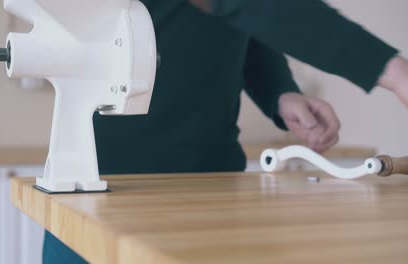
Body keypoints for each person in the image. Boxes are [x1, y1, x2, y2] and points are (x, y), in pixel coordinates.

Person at [42, 1, 408, 263]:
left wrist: (281, 94)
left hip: (215, 181)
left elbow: (248, 27)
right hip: (100, 187)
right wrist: (392, 70)